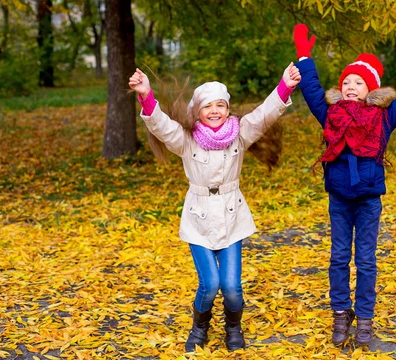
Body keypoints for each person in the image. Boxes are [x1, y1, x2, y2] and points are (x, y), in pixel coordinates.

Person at [128, 63, 301, 352]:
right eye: (208, 106)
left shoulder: (240, 134)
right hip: (199, 219)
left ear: (228, 109)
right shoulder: (186, 139)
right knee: (209, 285)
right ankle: (200, 327)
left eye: (221, 105)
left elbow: (263, 115)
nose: (215, 111)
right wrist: (146, 95)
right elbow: (160, 124)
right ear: (198, 111)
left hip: (233, 217)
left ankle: (234, 327)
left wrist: (284, 85)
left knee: (232, 287)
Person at [292, 24, 396, 346]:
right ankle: (341, 314)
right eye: (346, 81)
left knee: (366, 261)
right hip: (340, 199)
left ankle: (366, 319)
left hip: (369, 198)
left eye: (358, 82)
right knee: (338, 257)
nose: (350, 86)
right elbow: (312, 90)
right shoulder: (331, 113)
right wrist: (304, 57)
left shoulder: (384, 117)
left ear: (370, 88)